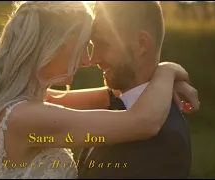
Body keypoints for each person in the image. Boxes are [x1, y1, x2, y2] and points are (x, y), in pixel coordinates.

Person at [0, 1, 195, 179]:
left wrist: (161, 82)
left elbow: (104, 98)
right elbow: (142, 120)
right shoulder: (26, 117)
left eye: (99, 44)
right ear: (52, 46)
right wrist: (167, 70)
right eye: (82, 45)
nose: (89, 59)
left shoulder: (19, 103)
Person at [48, 1, 196, 179]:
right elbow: (51, 98)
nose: (93, 59)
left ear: (141, 44)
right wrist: (168, 70)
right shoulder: (115, 101)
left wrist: (167, 71)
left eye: (103, 44)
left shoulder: (166, 139)